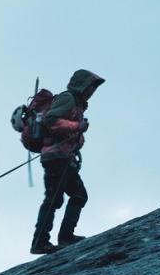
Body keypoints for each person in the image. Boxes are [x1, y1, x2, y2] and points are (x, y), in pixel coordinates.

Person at [30, 70, 105, 254]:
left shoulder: (78, 104)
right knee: (54, 199)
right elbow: (51, 120)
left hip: (65, 158)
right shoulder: (68, 98)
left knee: (78, 195)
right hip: (55, 158)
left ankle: (65, 237)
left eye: (93, 87)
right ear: (82, 85)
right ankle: (40, 242)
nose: (92, 91)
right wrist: (77, 127)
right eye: (90, 86)